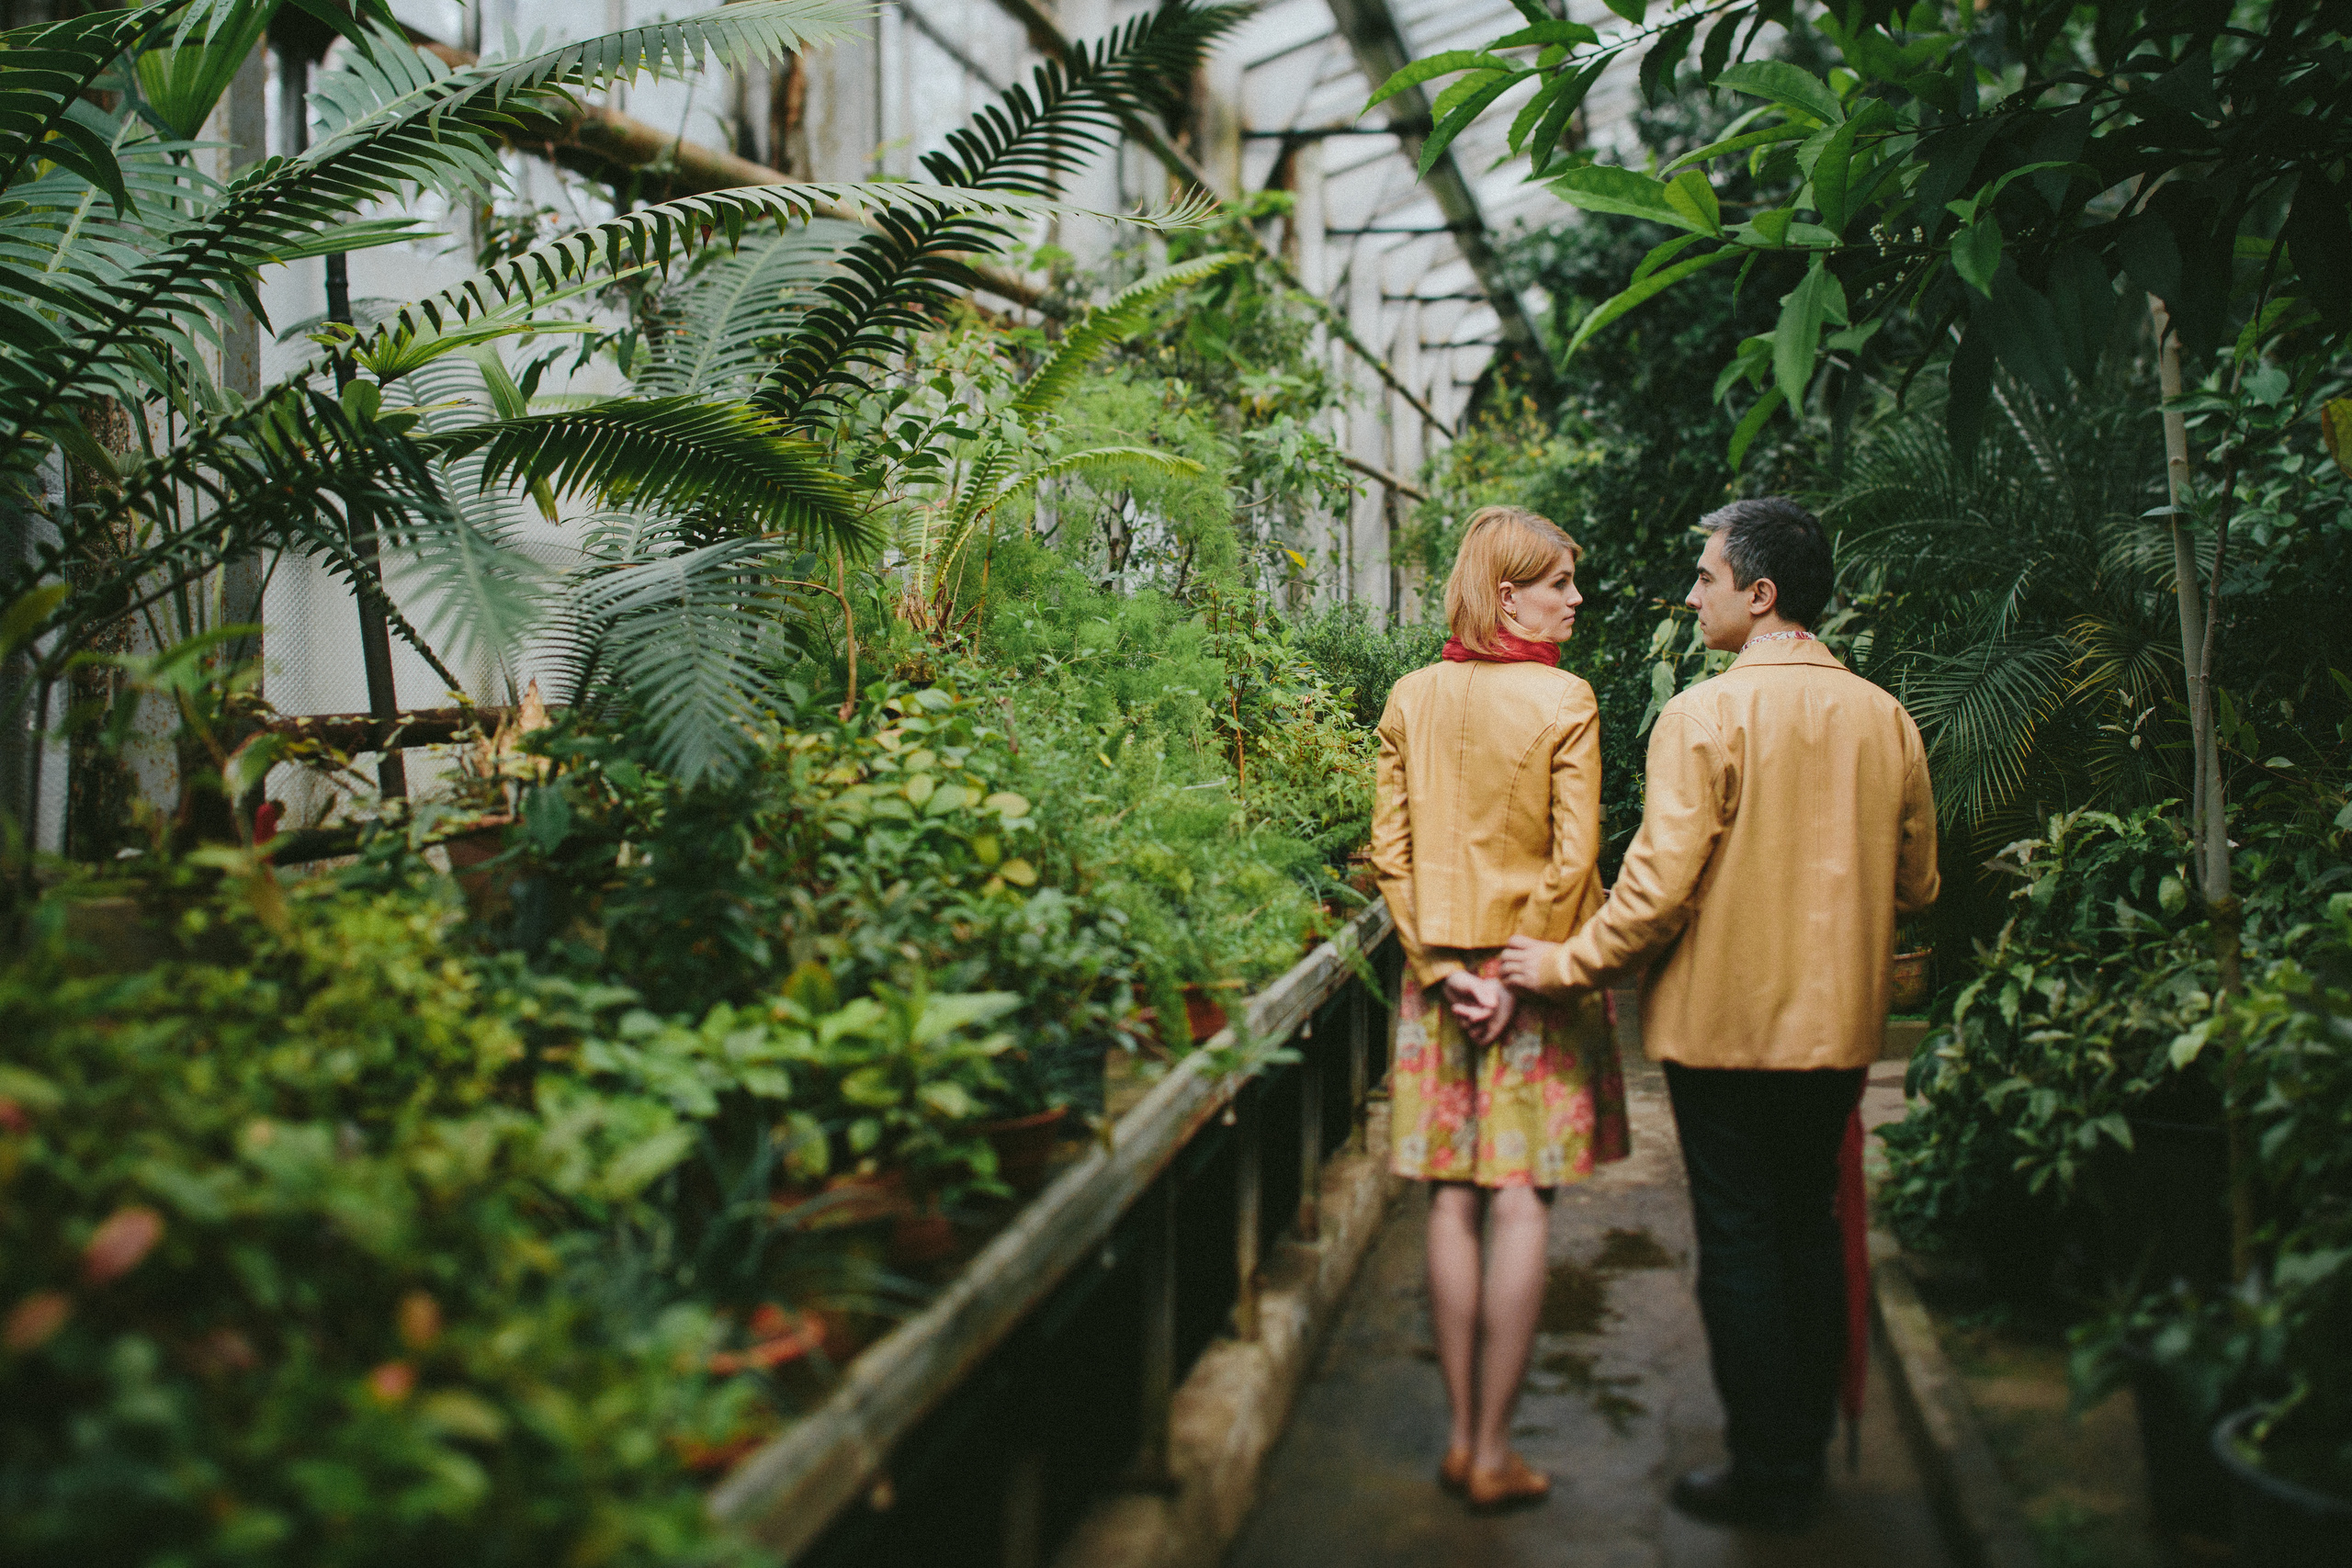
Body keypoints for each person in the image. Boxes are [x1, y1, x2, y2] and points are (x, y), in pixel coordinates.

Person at [1498, 497, 1939, 1530]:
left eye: (1705, 577)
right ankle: (1805, 1453)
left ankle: (1765, 1469)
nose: (1692, 594)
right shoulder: (1885, 718)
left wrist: (1567, 965)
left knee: (1739, 1239)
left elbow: (1652, 893)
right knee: (1809, 1225)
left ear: (1760, 593)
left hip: (1721, 1034)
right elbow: (1918, 883)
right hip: (1835, 1031)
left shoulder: (1703, 714)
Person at [1370, 504, 1631, 1512]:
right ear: (1506, 591)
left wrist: (1445, 971)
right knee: (1520, 1194)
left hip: (1443, 981)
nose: (1575, 600)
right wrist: (1521, 972)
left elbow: (1388, 856)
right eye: (1559, 583)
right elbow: (1575, 861)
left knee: (1448, 1195)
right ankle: (1491, 1447)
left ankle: (1455, 1441)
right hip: (1537, 974)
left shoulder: (1409, 697)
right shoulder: (1566, 699)